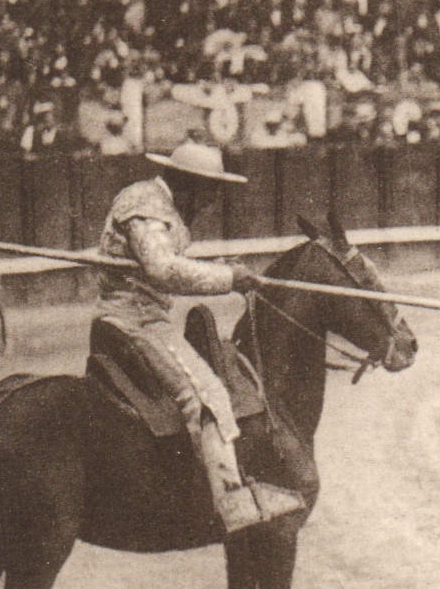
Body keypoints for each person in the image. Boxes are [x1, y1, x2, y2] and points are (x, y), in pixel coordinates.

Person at [97, 141, 304, 533]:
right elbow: (161, 269)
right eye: (210, 192)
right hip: (133, 321)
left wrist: (219, 270)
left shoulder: (156, 204)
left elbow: (164, 267)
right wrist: (228, 279)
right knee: (205, 393)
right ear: (189, 184)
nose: (210, 203)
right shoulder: (146, 205)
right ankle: (230, 500)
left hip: (144, 317)